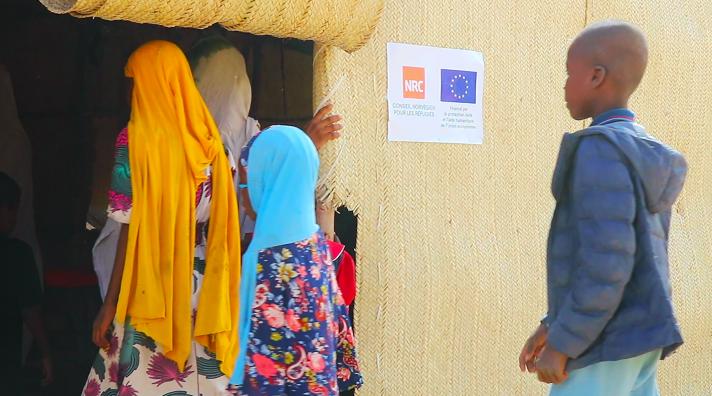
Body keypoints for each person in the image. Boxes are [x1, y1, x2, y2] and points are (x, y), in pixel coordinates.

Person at [518, 21, 687, 395]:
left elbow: (608, 263)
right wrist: (553, 323)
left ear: (596, 77)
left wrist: (565, 342)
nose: (564, 85)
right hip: (638, 338)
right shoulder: (638, 150)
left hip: (604, 339)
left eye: (569, 74)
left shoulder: (600, 150)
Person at [83, 40, 242, 395]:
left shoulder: (133, 141)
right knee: (205, 377)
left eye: (135, 82)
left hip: (152, 280)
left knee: (141, 374)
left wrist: (108, 306)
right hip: (203, 285)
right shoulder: (209, 142)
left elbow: (126, 223)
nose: (130, 93)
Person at [228, 126, 362, 395]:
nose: (242, 196)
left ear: (270, 181)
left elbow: (262, 366)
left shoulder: (272, 260)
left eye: (246, 180)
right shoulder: (314, 247)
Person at [0, 172, 53, 393]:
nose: (15, 219)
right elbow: (30, 311)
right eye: (13, 211)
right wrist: (46, 354)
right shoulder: (17, 254)